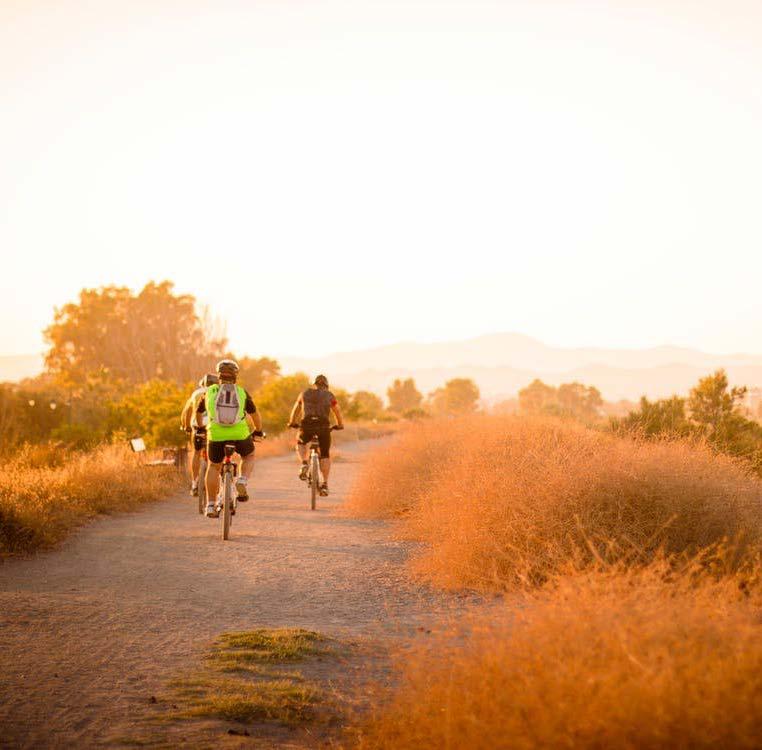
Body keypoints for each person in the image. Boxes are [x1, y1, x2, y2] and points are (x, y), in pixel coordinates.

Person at [197, 359, 263, 517]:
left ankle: (211, 505)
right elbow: (255, 415)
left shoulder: (209, 392)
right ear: (235, 375)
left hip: (216, 435)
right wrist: (258, 431)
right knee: (249, 455)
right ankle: (242, 480)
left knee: (214, 466)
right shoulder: (241, 392)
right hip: (239, 434)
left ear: (219, 375)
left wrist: (200, 428)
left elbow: (198, 413)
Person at [288, 374, 344, 496]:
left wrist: (292, 422)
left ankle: (304, 462)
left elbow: (296, 409)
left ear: (315, 384)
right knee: (325, 455)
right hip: (323, 427)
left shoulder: (304, 393)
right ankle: (324, 484)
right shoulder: (330, 396)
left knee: (301, 442)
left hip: (307, 425)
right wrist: (340, 425)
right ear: (326, 386)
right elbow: (337, 411)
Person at [180, 373, 218, 496]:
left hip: (198, 426)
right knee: (216, 456)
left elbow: (187, 412)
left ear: (202, 384)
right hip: (214, 427)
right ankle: (220, 483)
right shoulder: (219, 392)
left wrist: (186, 426)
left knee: (196, 452)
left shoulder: (196, 394)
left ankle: (195, 482)